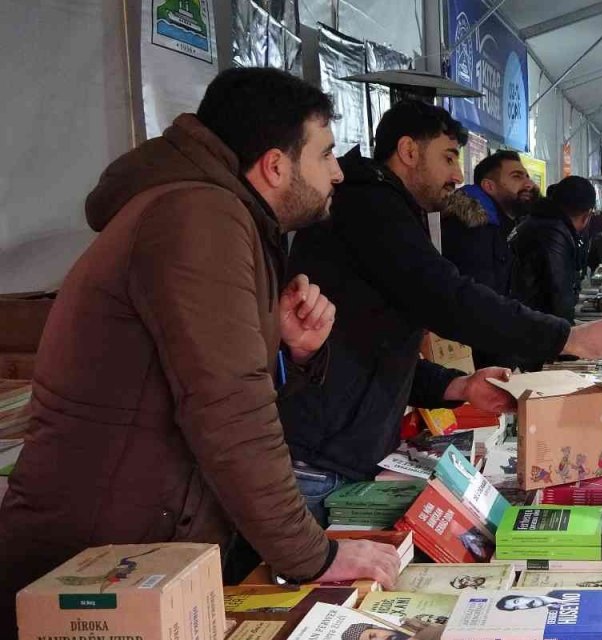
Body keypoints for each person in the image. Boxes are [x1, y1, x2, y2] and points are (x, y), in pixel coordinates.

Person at [0, 68, 405, 634]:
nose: (339, 172)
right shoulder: (199, 216)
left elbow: (215, 386)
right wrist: (317, 556)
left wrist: (287, 349)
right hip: (99, 570)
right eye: (327, 154)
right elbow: (230, 413)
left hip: (136, 556)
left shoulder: (219, 215)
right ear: (275, 165)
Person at [278, 100, 602, 516]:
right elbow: (448, 296)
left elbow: (374, 345)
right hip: (321, 460)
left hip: (343, 451)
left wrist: (458, 387)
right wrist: (565, 337)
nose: (457, 175)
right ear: (409, 152)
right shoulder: (369, 205)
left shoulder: (387, 208)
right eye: (448, 158)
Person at [442, 150, 535, 296]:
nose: (529, 184)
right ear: (489, 186)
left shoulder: (504, 224)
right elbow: (479, 301)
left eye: (527, 177)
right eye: (517, 176)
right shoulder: (472, 228)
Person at [510, 176, 595, 325]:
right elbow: (559, 297)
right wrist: (571, 337)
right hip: (534, 328)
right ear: (587, 216)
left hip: (525, 320)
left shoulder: (538, 220)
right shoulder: (554, 233)